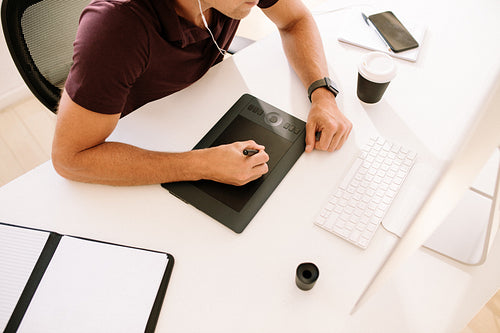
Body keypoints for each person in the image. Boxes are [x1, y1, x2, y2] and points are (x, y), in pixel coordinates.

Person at [51, 0, 352, 186]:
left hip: (203, 109)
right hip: (138, 146)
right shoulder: (115, 28)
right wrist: (202, 165)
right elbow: (70, 159)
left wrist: (322, 94)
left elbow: (295, 19)